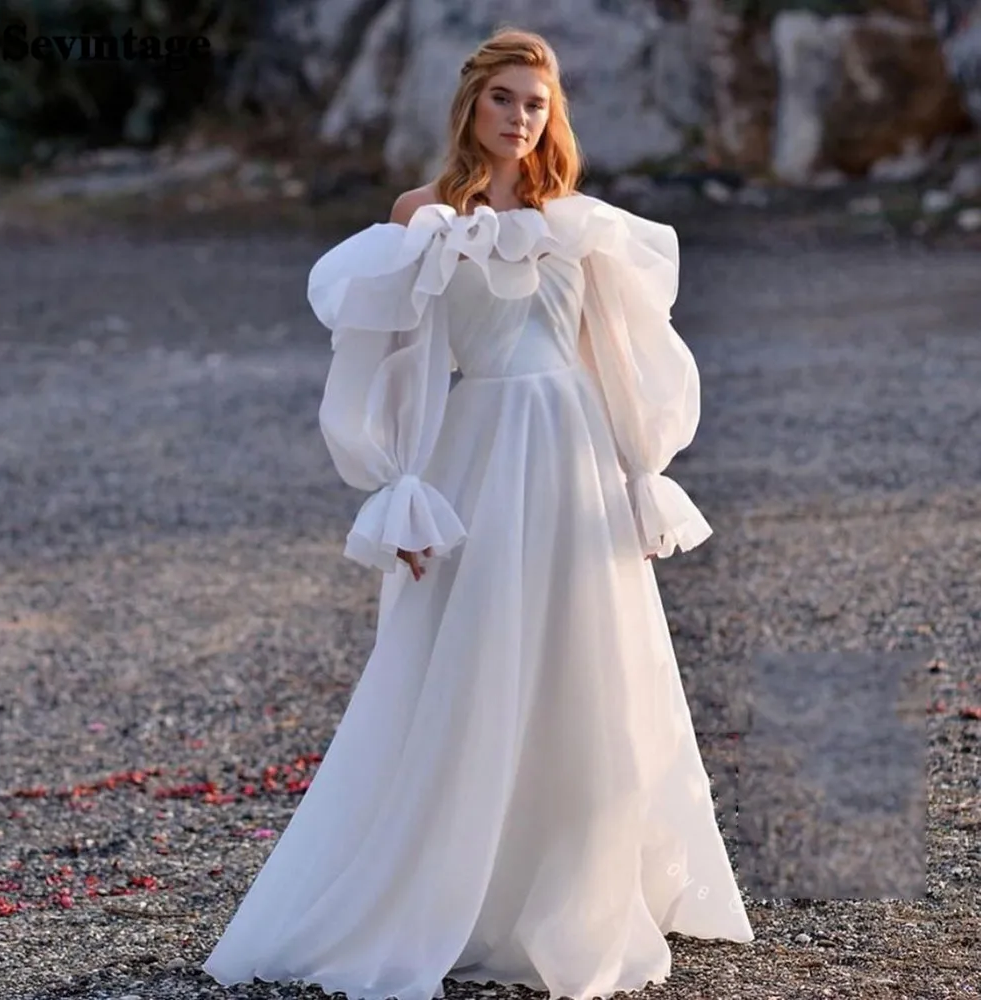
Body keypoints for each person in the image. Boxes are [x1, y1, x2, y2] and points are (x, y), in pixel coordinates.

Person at [203, 25, 754, 1000]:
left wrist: (641, 474)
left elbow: (616, 354)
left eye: (536, 103)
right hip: (478, 452)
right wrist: (399, 488)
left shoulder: (577, 222)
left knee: (584, 660)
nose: (520, 117)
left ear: (553, 116)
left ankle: (575, 891)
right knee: (465, 657)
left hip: (572, 452)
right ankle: (450, 885)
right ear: (471, 105)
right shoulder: (421, 216)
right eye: (504, 98)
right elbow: (398, 364)